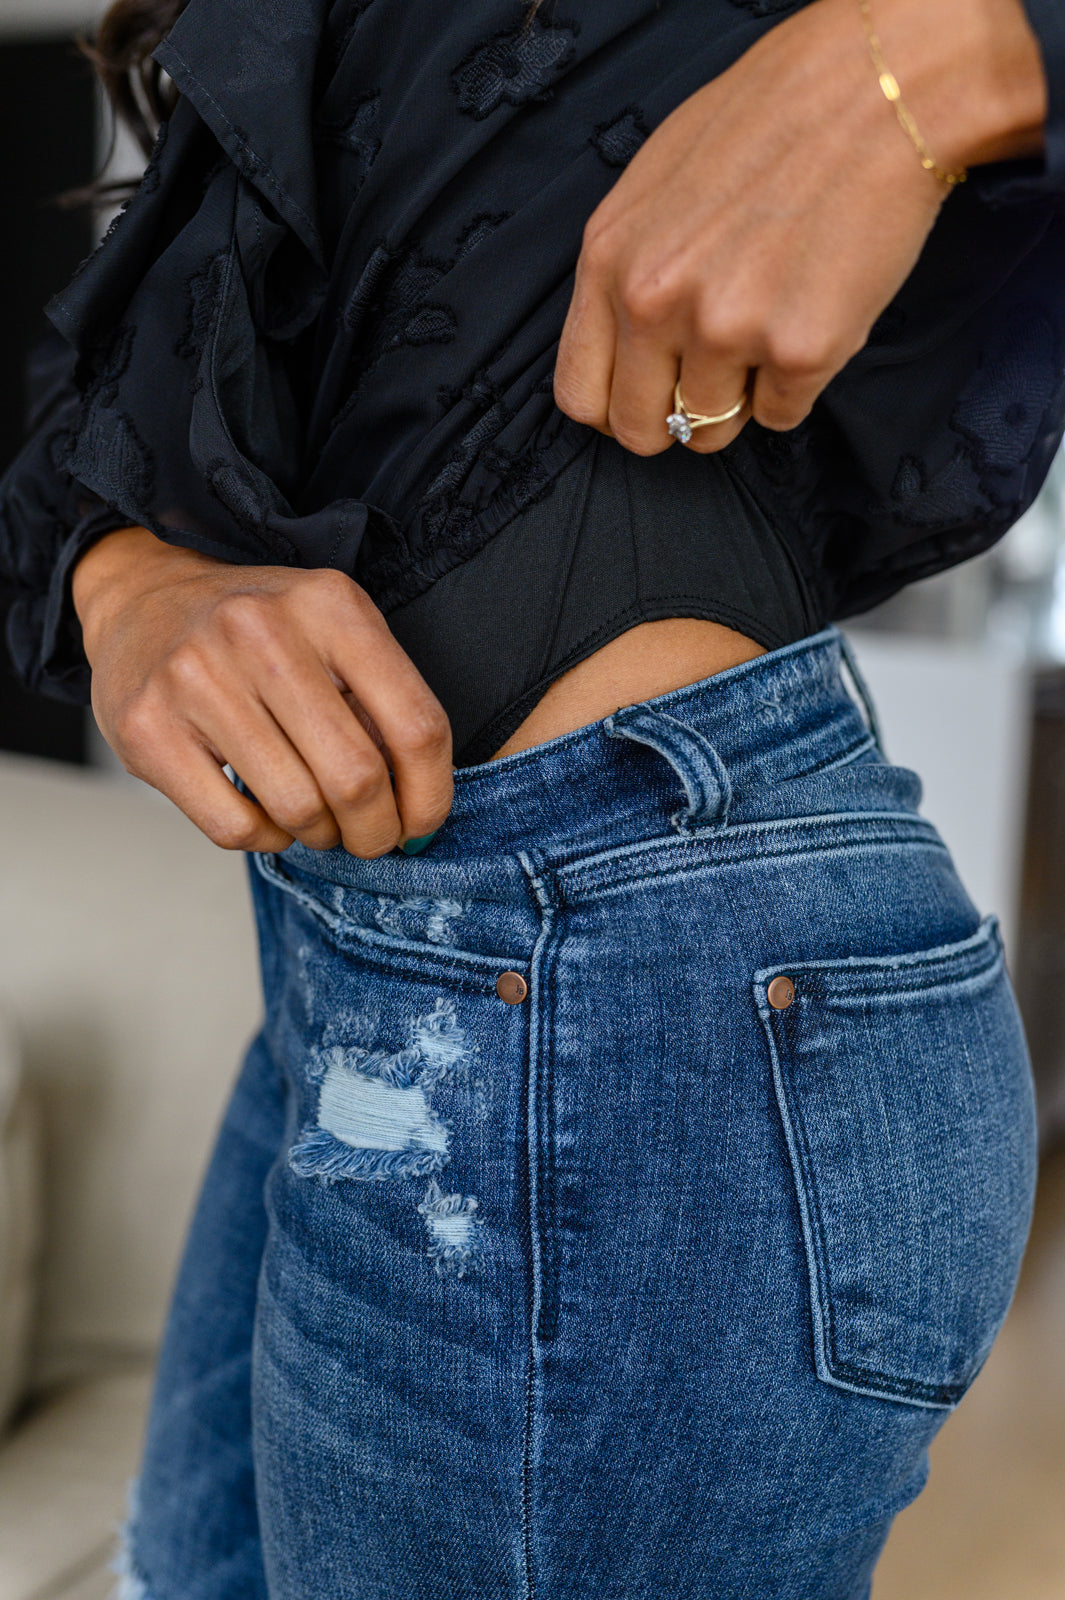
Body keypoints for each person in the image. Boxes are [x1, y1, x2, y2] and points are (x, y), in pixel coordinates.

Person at [0, 0, 1058, 1593]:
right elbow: (151, 339)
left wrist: (939, 53)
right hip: (369, 958)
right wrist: (122, 570)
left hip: (619, 957)